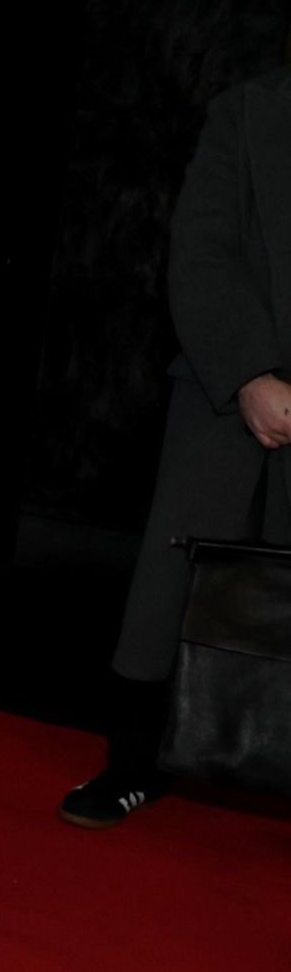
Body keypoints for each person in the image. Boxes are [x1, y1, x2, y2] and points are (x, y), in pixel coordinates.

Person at [74, 63, 291, 827]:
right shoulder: (247, 112)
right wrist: (248, 375)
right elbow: (199, 252)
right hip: (224, 390)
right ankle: (134, 766)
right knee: (174, 586)